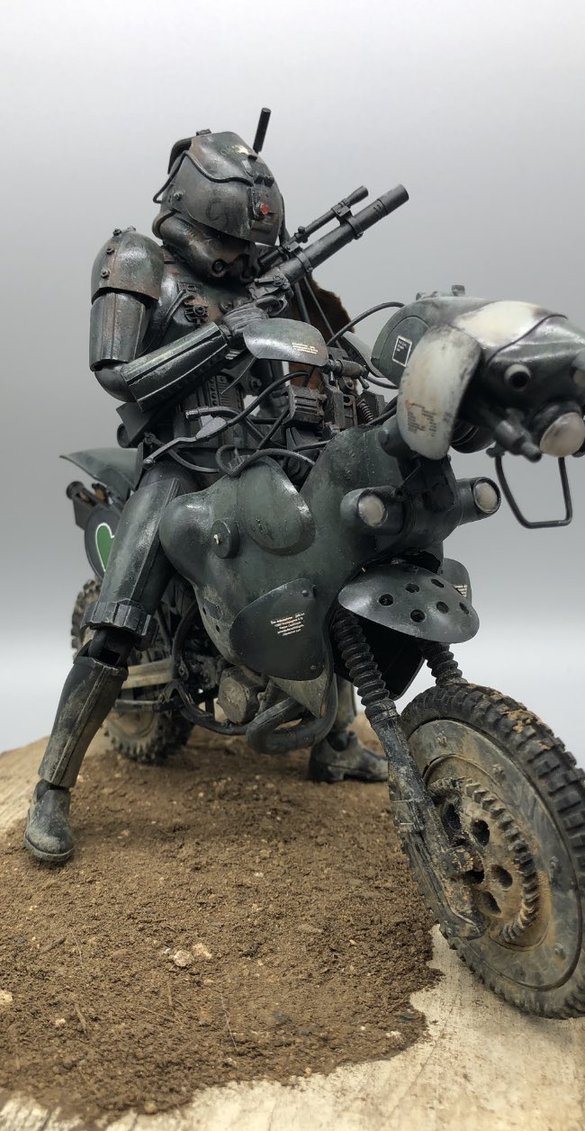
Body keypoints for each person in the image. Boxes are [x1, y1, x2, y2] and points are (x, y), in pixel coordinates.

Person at [24, 128, 386, 865]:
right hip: (181, 463)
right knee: (115, 626)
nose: (238, 255)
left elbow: (336, 358)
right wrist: (227, 334)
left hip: (273, 456)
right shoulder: (136, 261)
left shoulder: (273, 276)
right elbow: (120, 378)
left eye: (249, 243)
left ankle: (335, 743)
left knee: (331, 575)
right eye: (229, 240)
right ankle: (52, 787)